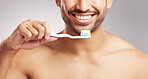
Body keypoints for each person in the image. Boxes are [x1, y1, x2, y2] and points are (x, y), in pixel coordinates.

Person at [0, 0, 148, 79]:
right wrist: (7, 48)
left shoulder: (140, 65)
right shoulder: (24, 60)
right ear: (58, 0)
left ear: (108, 0)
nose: (83, 7)